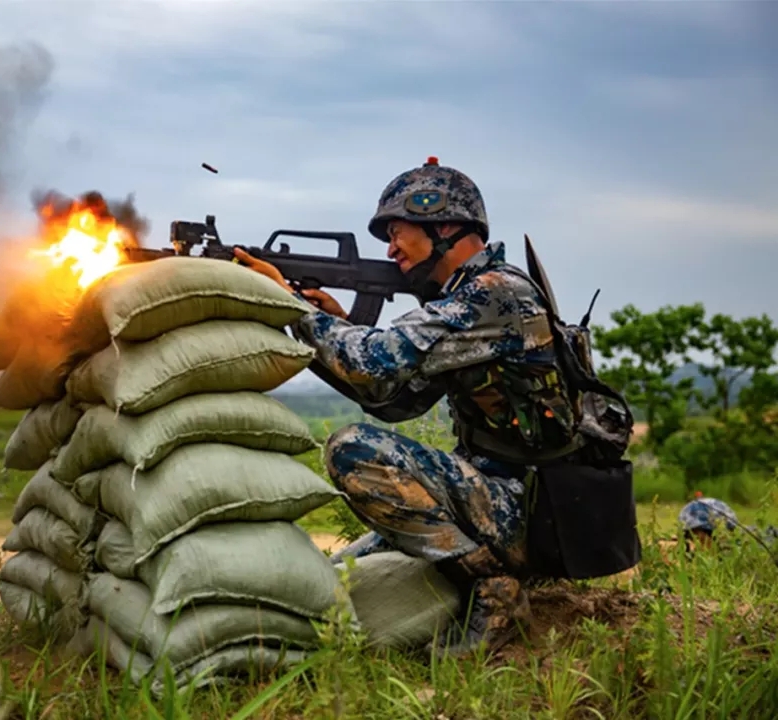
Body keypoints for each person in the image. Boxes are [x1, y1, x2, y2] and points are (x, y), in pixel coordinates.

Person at [234, 157, 638, 656]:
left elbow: (373, 363)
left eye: (398, 232)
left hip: (530, 509)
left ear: (444, 226)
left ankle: (495, 589)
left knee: (351, 450)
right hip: (509, 501)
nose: (390, 249)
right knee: (347, 570)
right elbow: (392, 401)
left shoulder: (493, 295)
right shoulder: (470, 299)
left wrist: (294, 307)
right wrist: (321, 323)